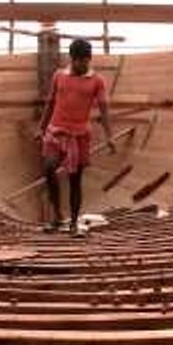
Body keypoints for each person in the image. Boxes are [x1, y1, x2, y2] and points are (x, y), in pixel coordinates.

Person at [37, 38, 115, 237]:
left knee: (75, 179)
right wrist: (41, 128)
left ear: (89, 59)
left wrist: (109, 136)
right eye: (78, 60)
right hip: (55, 132)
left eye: (85, 61)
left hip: (79, 136)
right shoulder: (59, 76)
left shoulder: (96, 81)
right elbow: (51, 102)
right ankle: (57, 217)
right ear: (72, 59)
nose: (82, 64)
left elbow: (104, 110)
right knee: (48, 169)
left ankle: (73, 223)